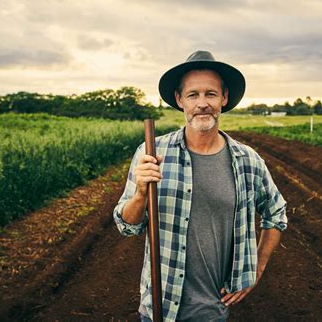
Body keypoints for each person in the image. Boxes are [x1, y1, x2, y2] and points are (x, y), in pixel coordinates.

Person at [114, 51, 288, 322]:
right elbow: (127, 226)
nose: (202, 103)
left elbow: (276, 214)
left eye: (211, 94)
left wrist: (256, 268)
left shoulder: (248, 161)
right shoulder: (151, 152)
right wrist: (139, 194)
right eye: (193, 95)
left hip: (212, 311)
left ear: (224, 98)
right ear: (179, 100)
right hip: (159, 308)